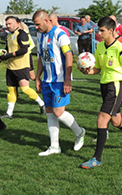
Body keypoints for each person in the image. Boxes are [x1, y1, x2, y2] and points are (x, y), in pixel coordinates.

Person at [79, 17, 122, 169]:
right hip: (104, 85)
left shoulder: (120, 48)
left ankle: (97, 158)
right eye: (99, 30)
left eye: (102, 31)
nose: (99, 34)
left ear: (111, 31)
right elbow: (98, 68)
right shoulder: (100, 47)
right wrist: (88, 71)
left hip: (115, 87)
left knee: (102, 120)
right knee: (116, 121)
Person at [33, 10, 85, 156]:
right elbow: (40, 58)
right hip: (47, 81)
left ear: (46, 21)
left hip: (60, 81)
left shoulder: (60, 34)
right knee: (50, 113)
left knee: (58, 112)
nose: (36, 27)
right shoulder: (40, 35)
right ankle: (54, 146)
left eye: (38, 24)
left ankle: (79, 132)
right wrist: (38, 77)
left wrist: (67, 79)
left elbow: (68, 56)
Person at [0, 16, 45, 119]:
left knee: (25, 89)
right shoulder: (9, 36)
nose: (7, 26)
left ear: (16, 23)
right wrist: (0, 57)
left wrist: (9, 55)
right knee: (11, 90)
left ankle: (42, 104)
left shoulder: (22, 34)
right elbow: (7, 51)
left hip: (21, 66)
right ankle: (9, 113)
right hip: (11, 67)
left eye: (9, 23)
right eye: (6, 24)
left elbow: (24, 50)